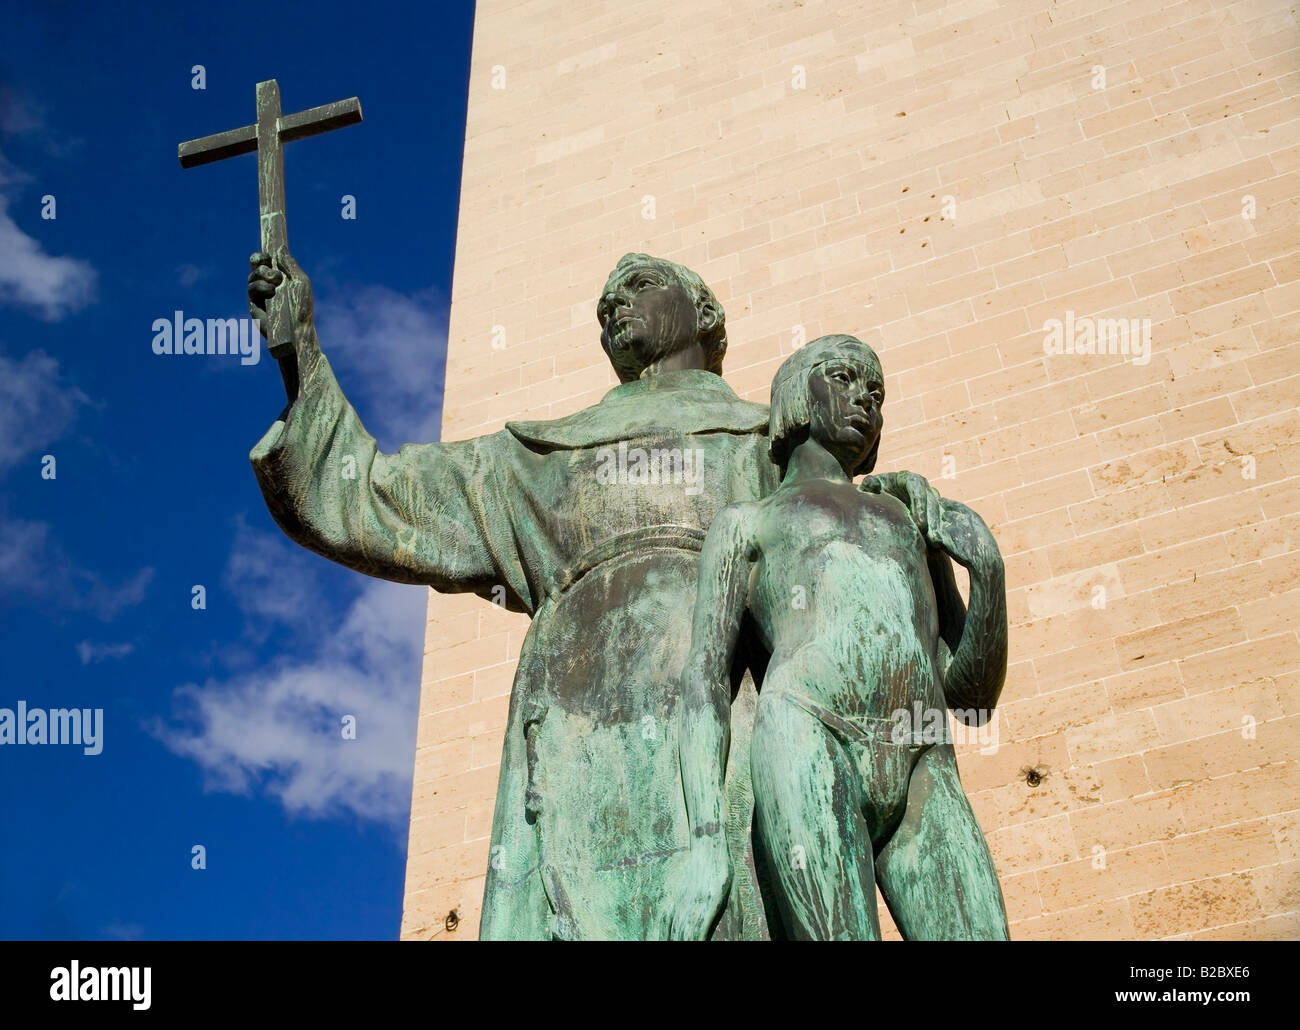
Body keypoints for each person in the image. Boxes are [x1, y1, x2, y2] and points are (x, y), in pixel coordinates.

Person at [247, 249, 780, 938]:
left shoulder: (774, 443)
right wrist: (303, 353)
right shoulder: (541, 461)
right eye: (602, 306)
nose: (615, 305)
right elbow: (379, 496)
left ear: (703, 311)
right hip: (572, 727)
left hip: (729, 702)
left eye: (639, 286)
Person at [673, 334, 1010, 940]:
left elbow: (974, 697)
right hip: (808, 733)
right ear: (798, 395)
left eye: (876, 392)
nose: (865, 400)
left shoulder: (909, 516)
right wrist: (703, 843)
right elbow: (703, 683)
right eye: (844, 378)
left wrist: (986, 566)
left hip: (923, 759)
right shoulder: (749, 523)